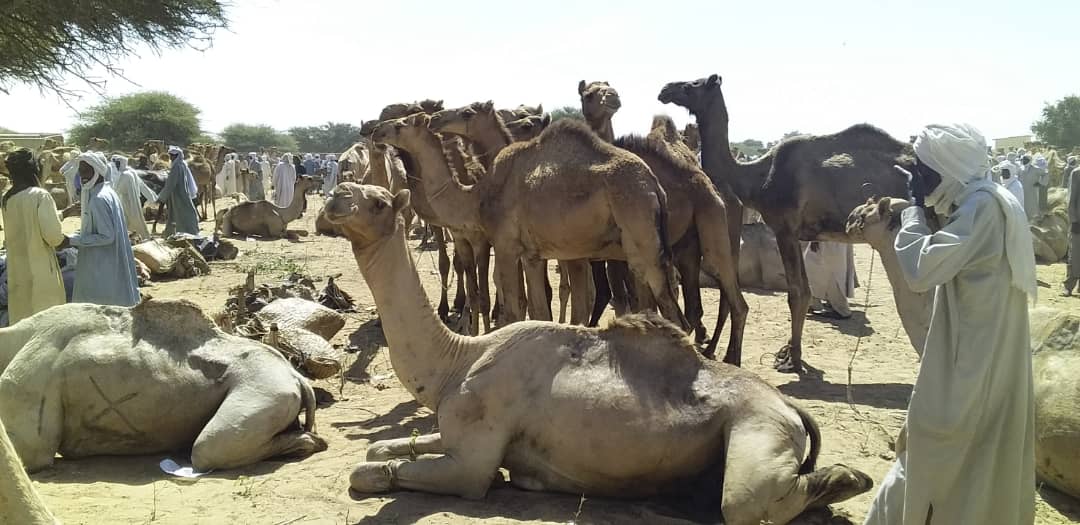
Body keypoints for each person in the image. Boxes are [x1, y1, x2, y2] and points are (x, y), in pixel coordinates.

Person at [864, 123, 1035, 525]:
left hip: (969, 363)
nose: (917, 178)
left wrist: (913, 211)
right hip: (983, 350)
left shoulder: (982, 208)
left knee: (932, 443)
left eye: (923, 170)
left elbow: (921, 270)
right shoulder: (992, 200)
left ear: (948, 168)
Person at [0, 149, 68, 323]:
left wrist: (64, 213)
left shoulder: (7, 199)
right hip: (40, 270)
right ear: (33, 169)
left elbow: (27, 223)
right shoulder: (40, 195)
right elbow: (54, 238)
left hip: (17, 272)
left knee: (22, 320)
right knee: (44, 322)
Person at [69, 152, 141, 307]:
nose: (83, 176)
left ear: (97, 170)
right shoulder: (108, 192)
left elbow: (107, 236)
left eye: (86, 171)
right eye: (81, 171)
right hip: (110, 261)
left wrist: (72, 241)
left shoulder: (98, 199)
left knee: (100, 306)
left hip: (101, 264)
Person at [803, 241, 856, 319]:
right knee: (817, 269)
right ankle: (814, 304)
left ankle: (842, 310)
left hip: (828, 241)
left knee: (829, 274)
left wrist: (814, 240)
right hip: (837, 241)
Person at [109, 155, 156, 240]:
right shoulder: (126, 172)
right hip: (126, 200)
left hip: (129, 201)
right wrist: (152, 197)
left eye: (118, 164)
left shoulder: (126, 175)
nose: (116, 166)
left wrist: (153, 198)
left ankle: (140, 237)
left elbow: (140, 185)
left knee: (132, 219)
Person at [157, 146, 201, 236]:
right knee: (178, 213)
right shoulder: (181, 164)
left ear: (177, 156)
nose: (170, 157)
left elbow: (170, 184)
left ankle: (188, 231)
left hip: (178, 194)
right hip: (180, 193)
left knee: (182, 213)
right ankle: (172, 232)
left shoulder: (176, 167)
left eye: (172, 155)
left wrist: (161, 197)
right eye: (170, 155)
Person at [1065, 163, 1080, 296]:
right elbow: (1070, 199)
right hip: (1078, 223)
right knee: (1074, 256)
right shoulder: (1077, 173)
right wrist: (1074, 220)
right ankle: (1069, 286)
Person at [1018, 154, 1041, 219]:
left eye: (1026, 160)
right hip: (1023, 190)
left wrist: (1040, 182)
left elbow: (1045, 174)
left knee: (1032, 204)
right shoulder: (1020, 169)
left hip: (1032, 191)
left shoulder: (1036, 169)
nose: (1024, 161)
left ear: (1030, 160)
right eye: (1023, 160)